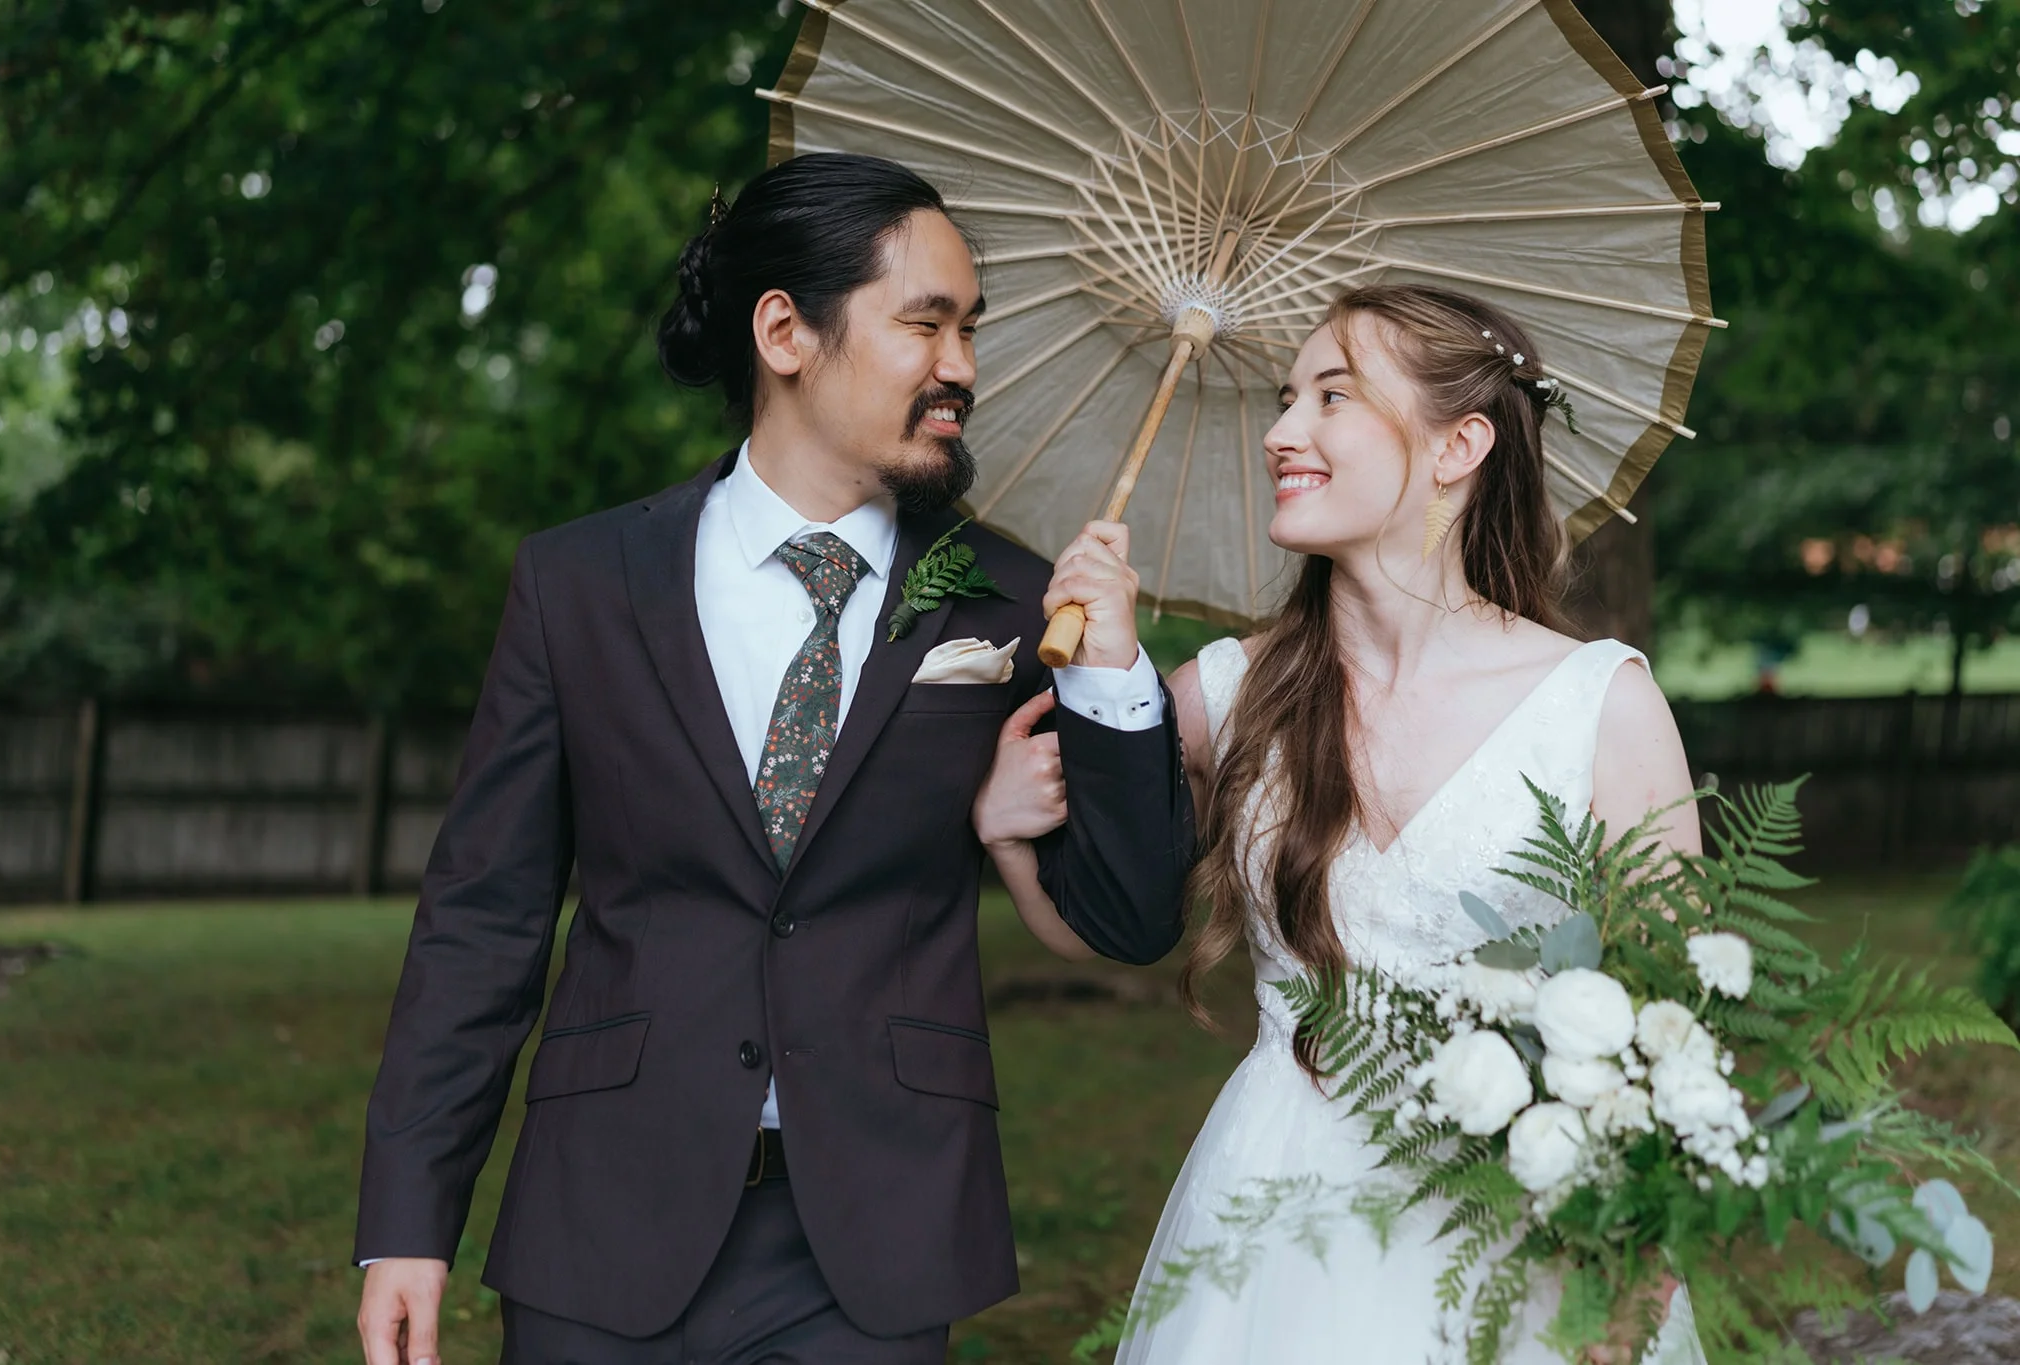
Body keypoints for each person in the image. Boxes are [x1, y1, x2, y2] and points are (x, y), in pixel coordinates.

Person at [352, 152, 1195, 1365]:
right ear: (784, 331)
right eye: (925, 324)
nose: (961, 365)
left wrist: (1109, 676)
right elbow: (482, 920)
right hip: (604, 1223)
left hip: (875, 1241)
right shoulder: (579, 585)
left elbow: (1130, 914)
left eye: (970, 329)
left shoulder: (1013, 603)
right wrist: (405, 1226)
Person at [979, 283, 1709, 1363]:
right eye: (1284, 400)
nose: (1280, 433)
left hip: (1523, 1224)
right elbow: (1112, 918)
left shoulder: (1598, 704)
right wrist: (1006, 832)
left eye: (1331, 398)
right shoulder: (1225, 692)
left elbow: (1673, 1025)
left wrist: (1633, 1278)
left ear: (1459, 444)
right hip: (1275, 1215)